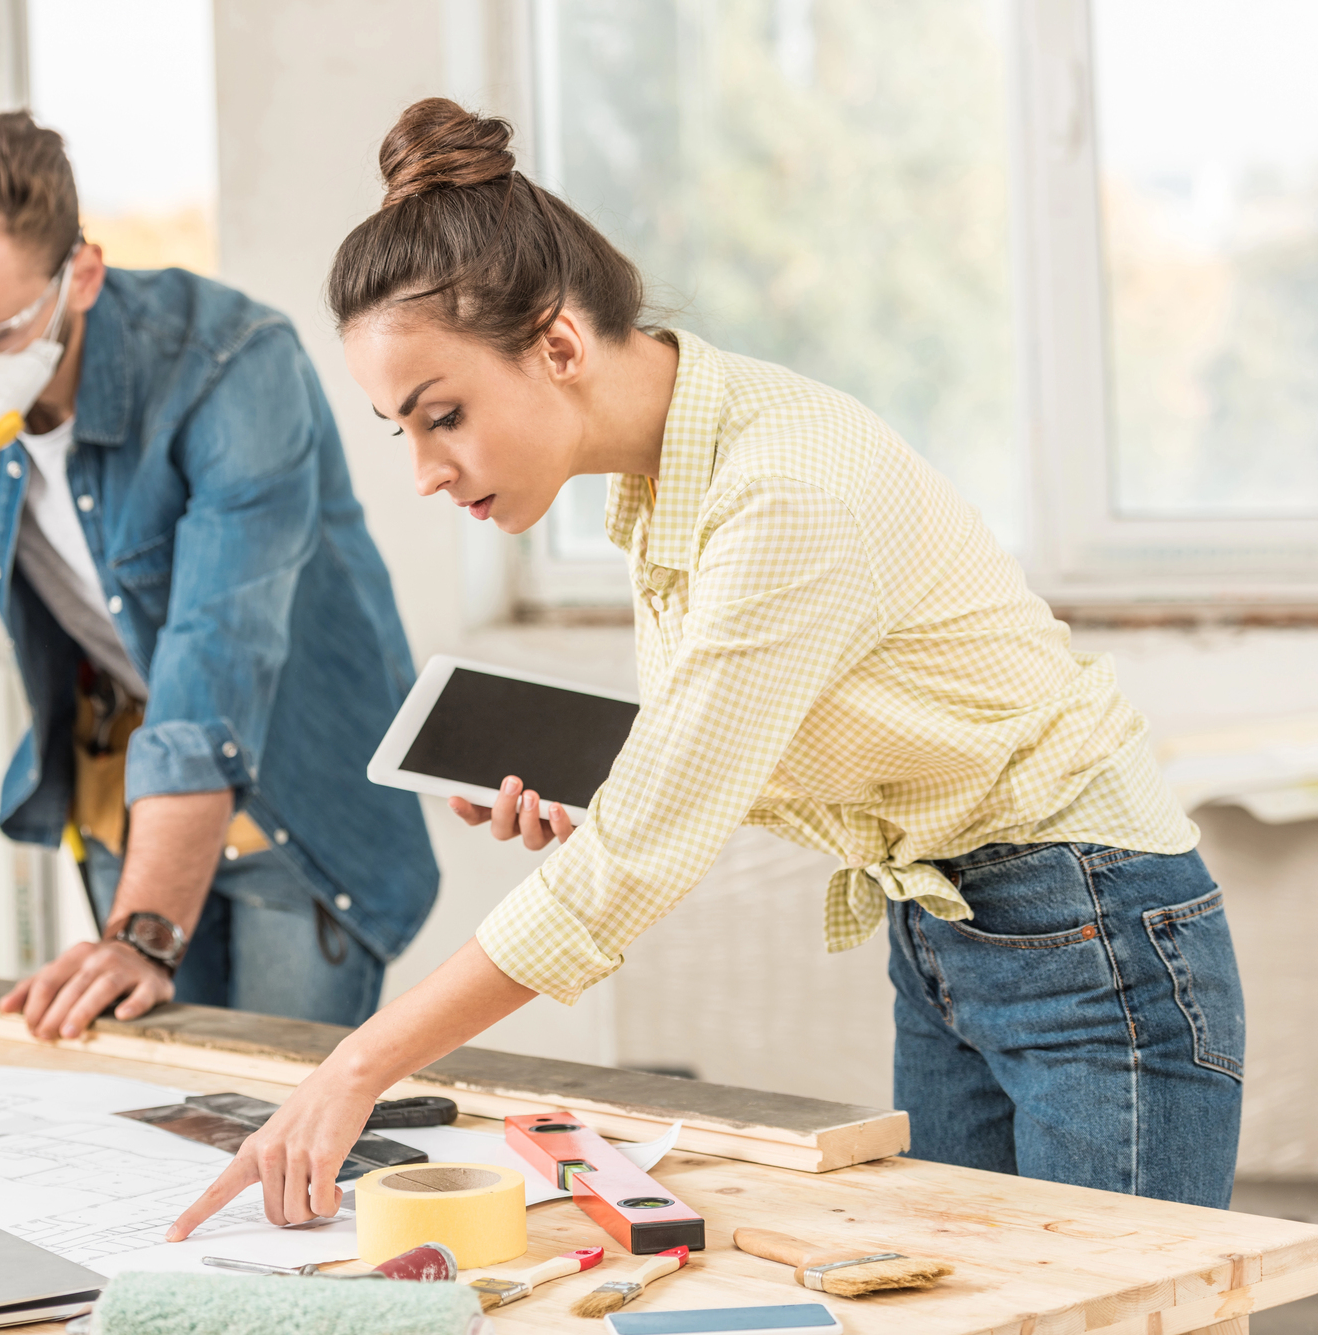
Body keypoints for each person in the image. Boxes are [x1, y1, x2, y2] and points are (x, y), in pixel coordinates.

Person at [170, 98, 1243, 1240]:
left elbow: (636, 866)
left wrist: (351, 1072)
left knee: (1109, 1309)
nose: (427, 471)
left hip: (1087, 933)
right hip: (943, 927)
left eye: (443, 417)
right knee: (970, 1306)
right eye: (402, 431)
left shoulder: (778, 491)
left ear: (559, 346)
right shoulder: (665, 470)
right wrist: (613, 787)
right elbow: (727, 733)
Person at [0, 111, 436, 1036]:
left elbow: (211, 674)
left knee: (279, 1125)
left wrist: (141, 937)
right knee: (153, 1121)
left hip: (291, 785)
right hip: (123, 778)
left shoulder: (233, 369)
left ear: (83, 275)